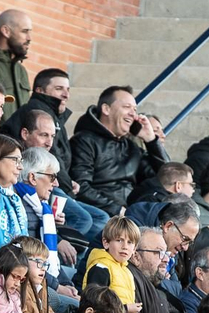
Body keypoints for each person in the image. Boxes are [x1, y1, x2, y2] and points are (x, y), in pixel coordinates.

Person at [68, 86, 167, 218]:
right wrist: (118, 210)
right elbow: (81, 187)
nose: (133, 114)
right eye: (127, 107)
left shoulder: (132, 147)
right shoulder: (83, 141)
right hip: (100, 215)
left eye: (135, 110)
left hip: (132, 214)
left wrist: (151, 140)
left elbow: (167, 178)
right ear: (106, 109)